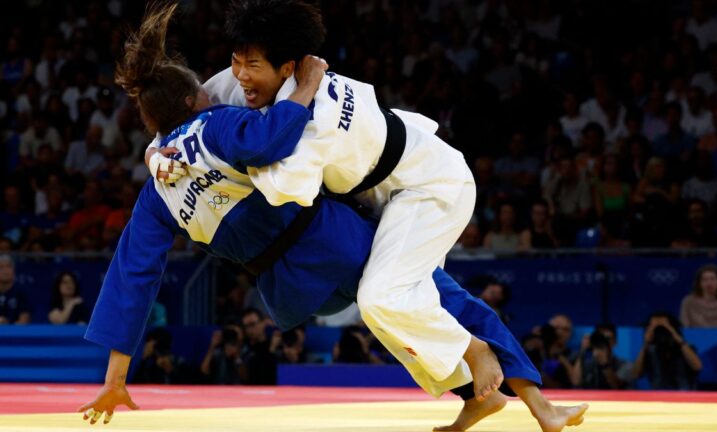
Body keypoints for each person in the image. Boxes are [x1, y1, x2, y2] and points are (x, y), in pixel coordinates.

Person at [79, 6, 587, 431]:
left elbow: (134, 275)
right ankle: (524, 393)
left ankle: (485, 394)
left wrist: (115, 377)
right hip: (333, 241)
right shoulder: (218, 121)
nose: (232, 82)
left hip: (290, 290)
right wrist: (304, 88)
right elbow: (265, 139)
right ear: (195, 100)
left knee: (390, 312)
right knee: (430, 296)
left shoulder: (157, 190)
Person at [149, 0, 503, 402]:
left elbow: (286, 192)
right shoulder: (245, 80)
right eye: (236, 60)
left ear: (287, 67)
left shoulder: (318, 112)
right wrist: (153, 154)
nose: (240, 75)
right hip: (382, 196)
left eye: (252, 65)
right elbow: (183, 113)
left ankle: (479, 352)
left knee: (381, 298)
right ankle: (477, 397)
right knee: (396, 311)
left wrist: (239, 151)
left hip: (426, 185)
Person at [633, 312, 703, 390]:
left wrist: (672, 331)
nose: (661, 332)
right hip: (658, 396)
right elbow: (636, 374)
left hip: (684, 396)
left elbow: (697, 366)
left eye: (664, 329)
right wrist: (645, 343)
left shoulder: (686, 348)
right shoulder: (649, 351)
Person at [570, 324, 633, 389]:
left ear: (615, 342)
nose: (604, 342)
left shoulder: (625, 365)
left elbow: (616, 386)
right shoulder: (588, 364)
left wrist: (604, 363)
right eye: (601, 339)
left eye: (607, 339)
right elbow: (575, 382)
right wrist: (582, 350)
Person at [0, 254, 30, 324]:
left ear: (14, 270)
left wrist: (7, 327)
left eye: (8, 266)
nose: (5, 270)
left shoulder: (21, 293)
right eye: (1, 267)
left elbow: (24, 320)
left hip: (15, 333)